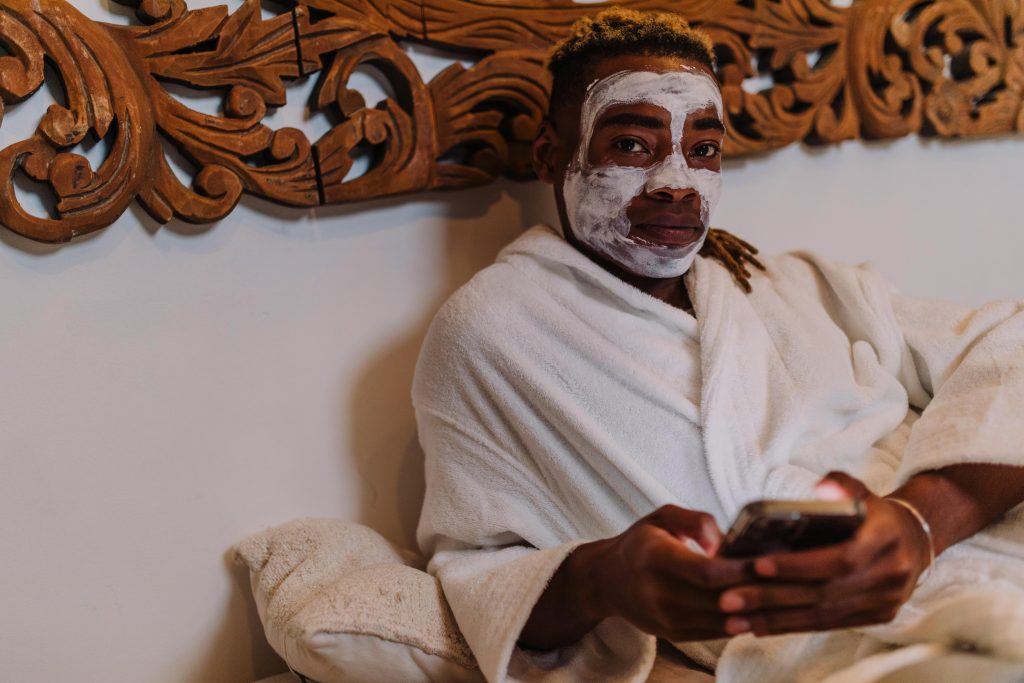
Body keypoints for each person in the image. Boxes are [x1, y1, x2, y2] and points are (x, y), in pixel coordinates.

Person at [413, 9, 1024, 682]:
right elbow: (477, 561)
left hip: (981, 550)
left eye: (702, 149)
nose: (678, 181)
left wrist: (922, 518)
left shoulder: (786, 281)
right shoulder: (493, 333)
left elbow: (1009, 346)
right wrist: (604, 579)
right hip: (854, 644)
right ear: (553, 156)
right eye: (633, 145)